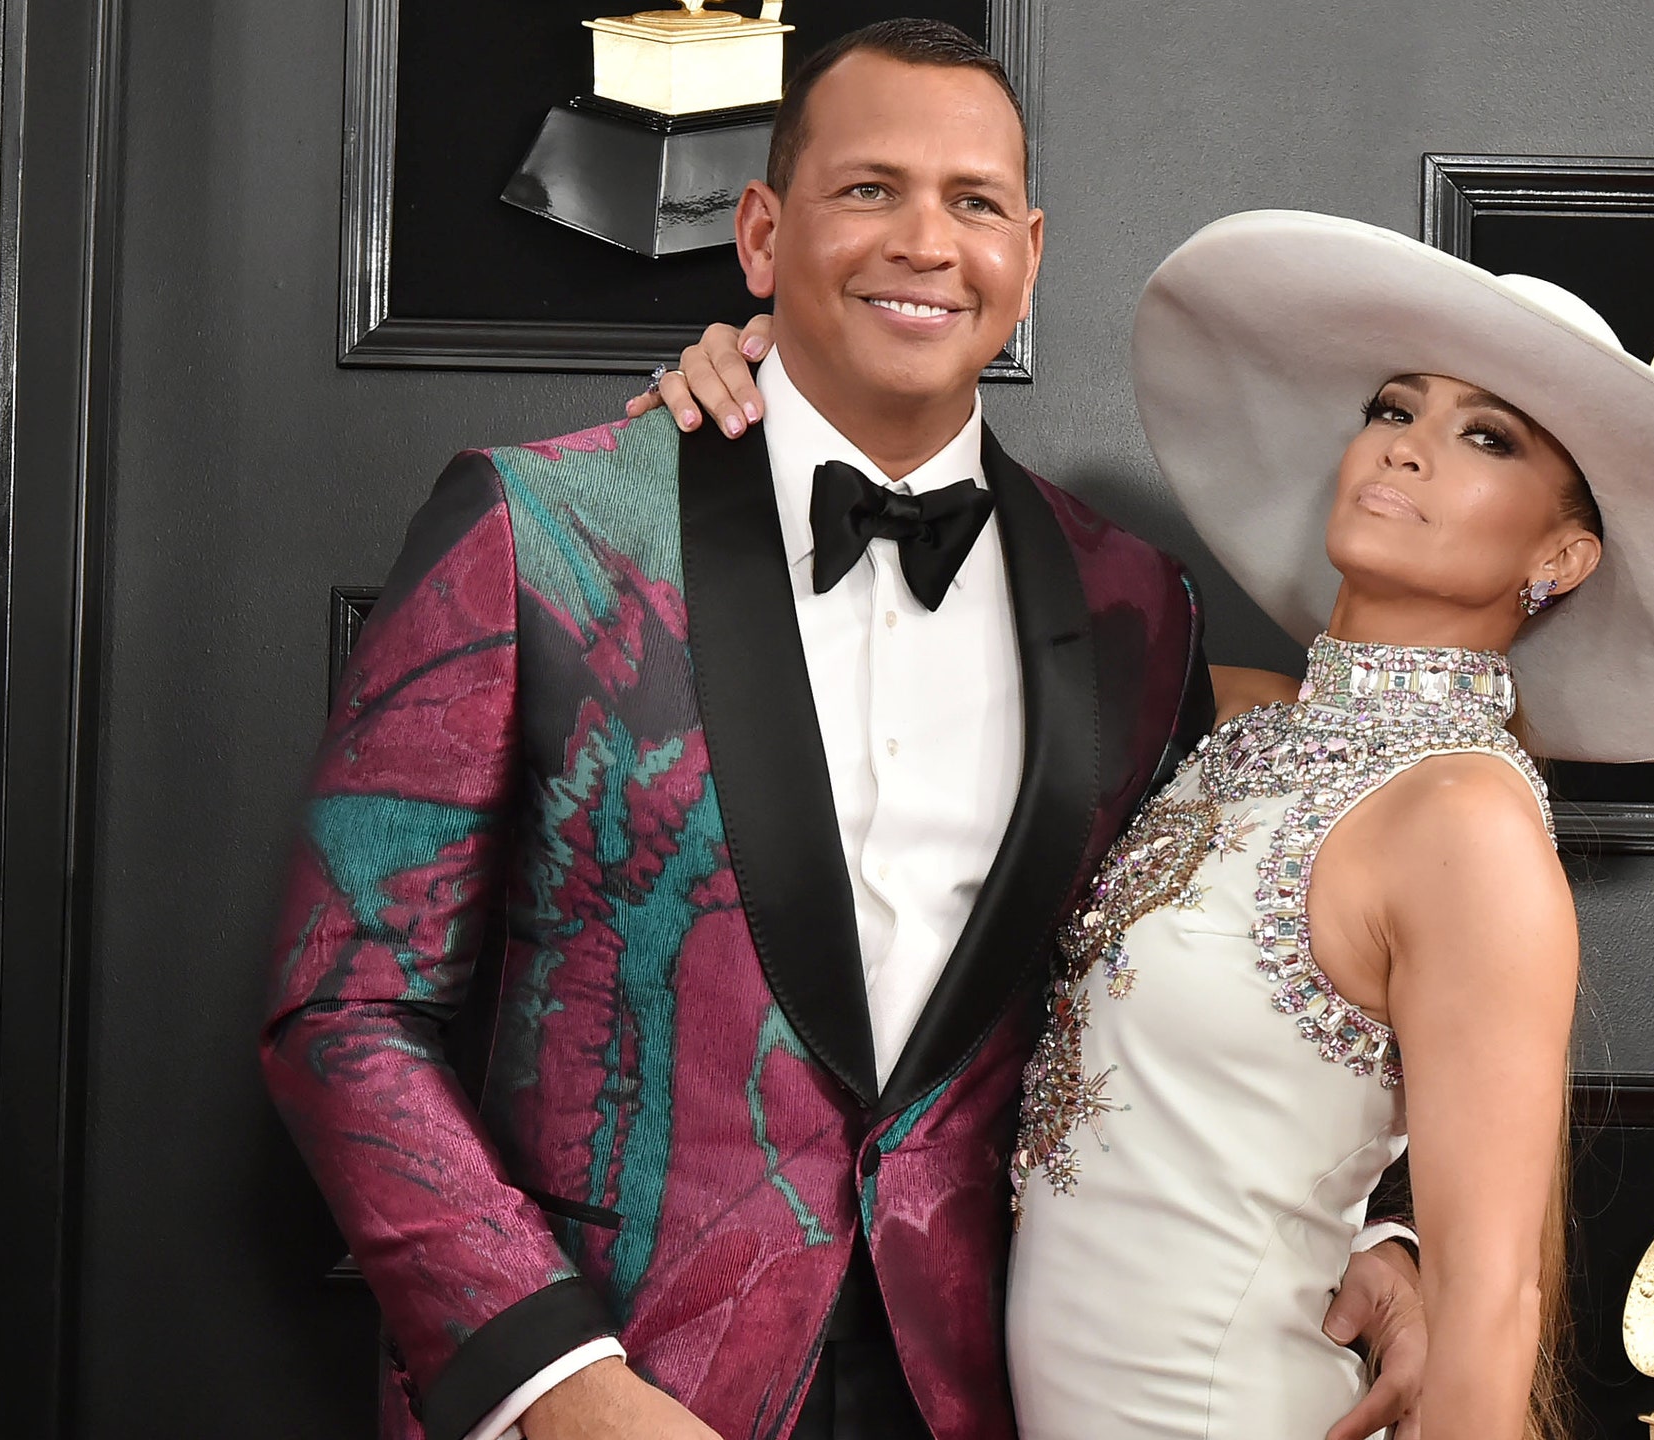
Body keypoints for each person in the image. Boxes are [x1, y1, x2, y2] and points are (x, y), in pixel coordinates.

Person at [261, 26, 1424, 1440]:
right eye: (870, 190)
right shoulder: (532, 530)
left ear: (1032, 252)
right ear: (760, 233)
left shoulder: (1137, 604)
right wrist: (554, 1381)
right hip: (616, 1379)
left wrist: (1380, 1231)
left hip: (995, 1391)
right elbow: (343, 1009)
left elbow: (1227, 969)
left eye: (976, 202)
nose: (928, 242)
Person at [660, 211, 1654, 1437]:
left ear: (1562, 552)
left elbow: (1492, 1301)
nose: (1406, 451)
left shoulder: (1468, 826)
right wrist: (789, 403)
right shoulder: (1224, 717)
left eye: (1484, 436)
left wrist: (1407, 1265)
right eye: (1393, 410)